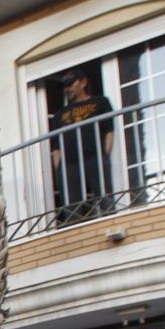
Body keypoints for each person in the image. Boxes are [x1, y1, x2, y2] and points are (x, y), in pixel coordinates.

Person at [51, 69, 114, 221]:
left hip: (95, 157)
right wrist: (59, 168)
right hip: (70, 164)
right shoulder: (60, 115)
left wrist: (104, 155)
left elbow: (109, 131)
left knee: (105, 199)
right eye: (64, 86)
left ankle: (110, 222)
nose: (67, 89)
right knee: (72, 210)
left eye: (70, 84)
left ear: (83, 82)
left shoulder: (100, 102)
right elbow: (56, 145)